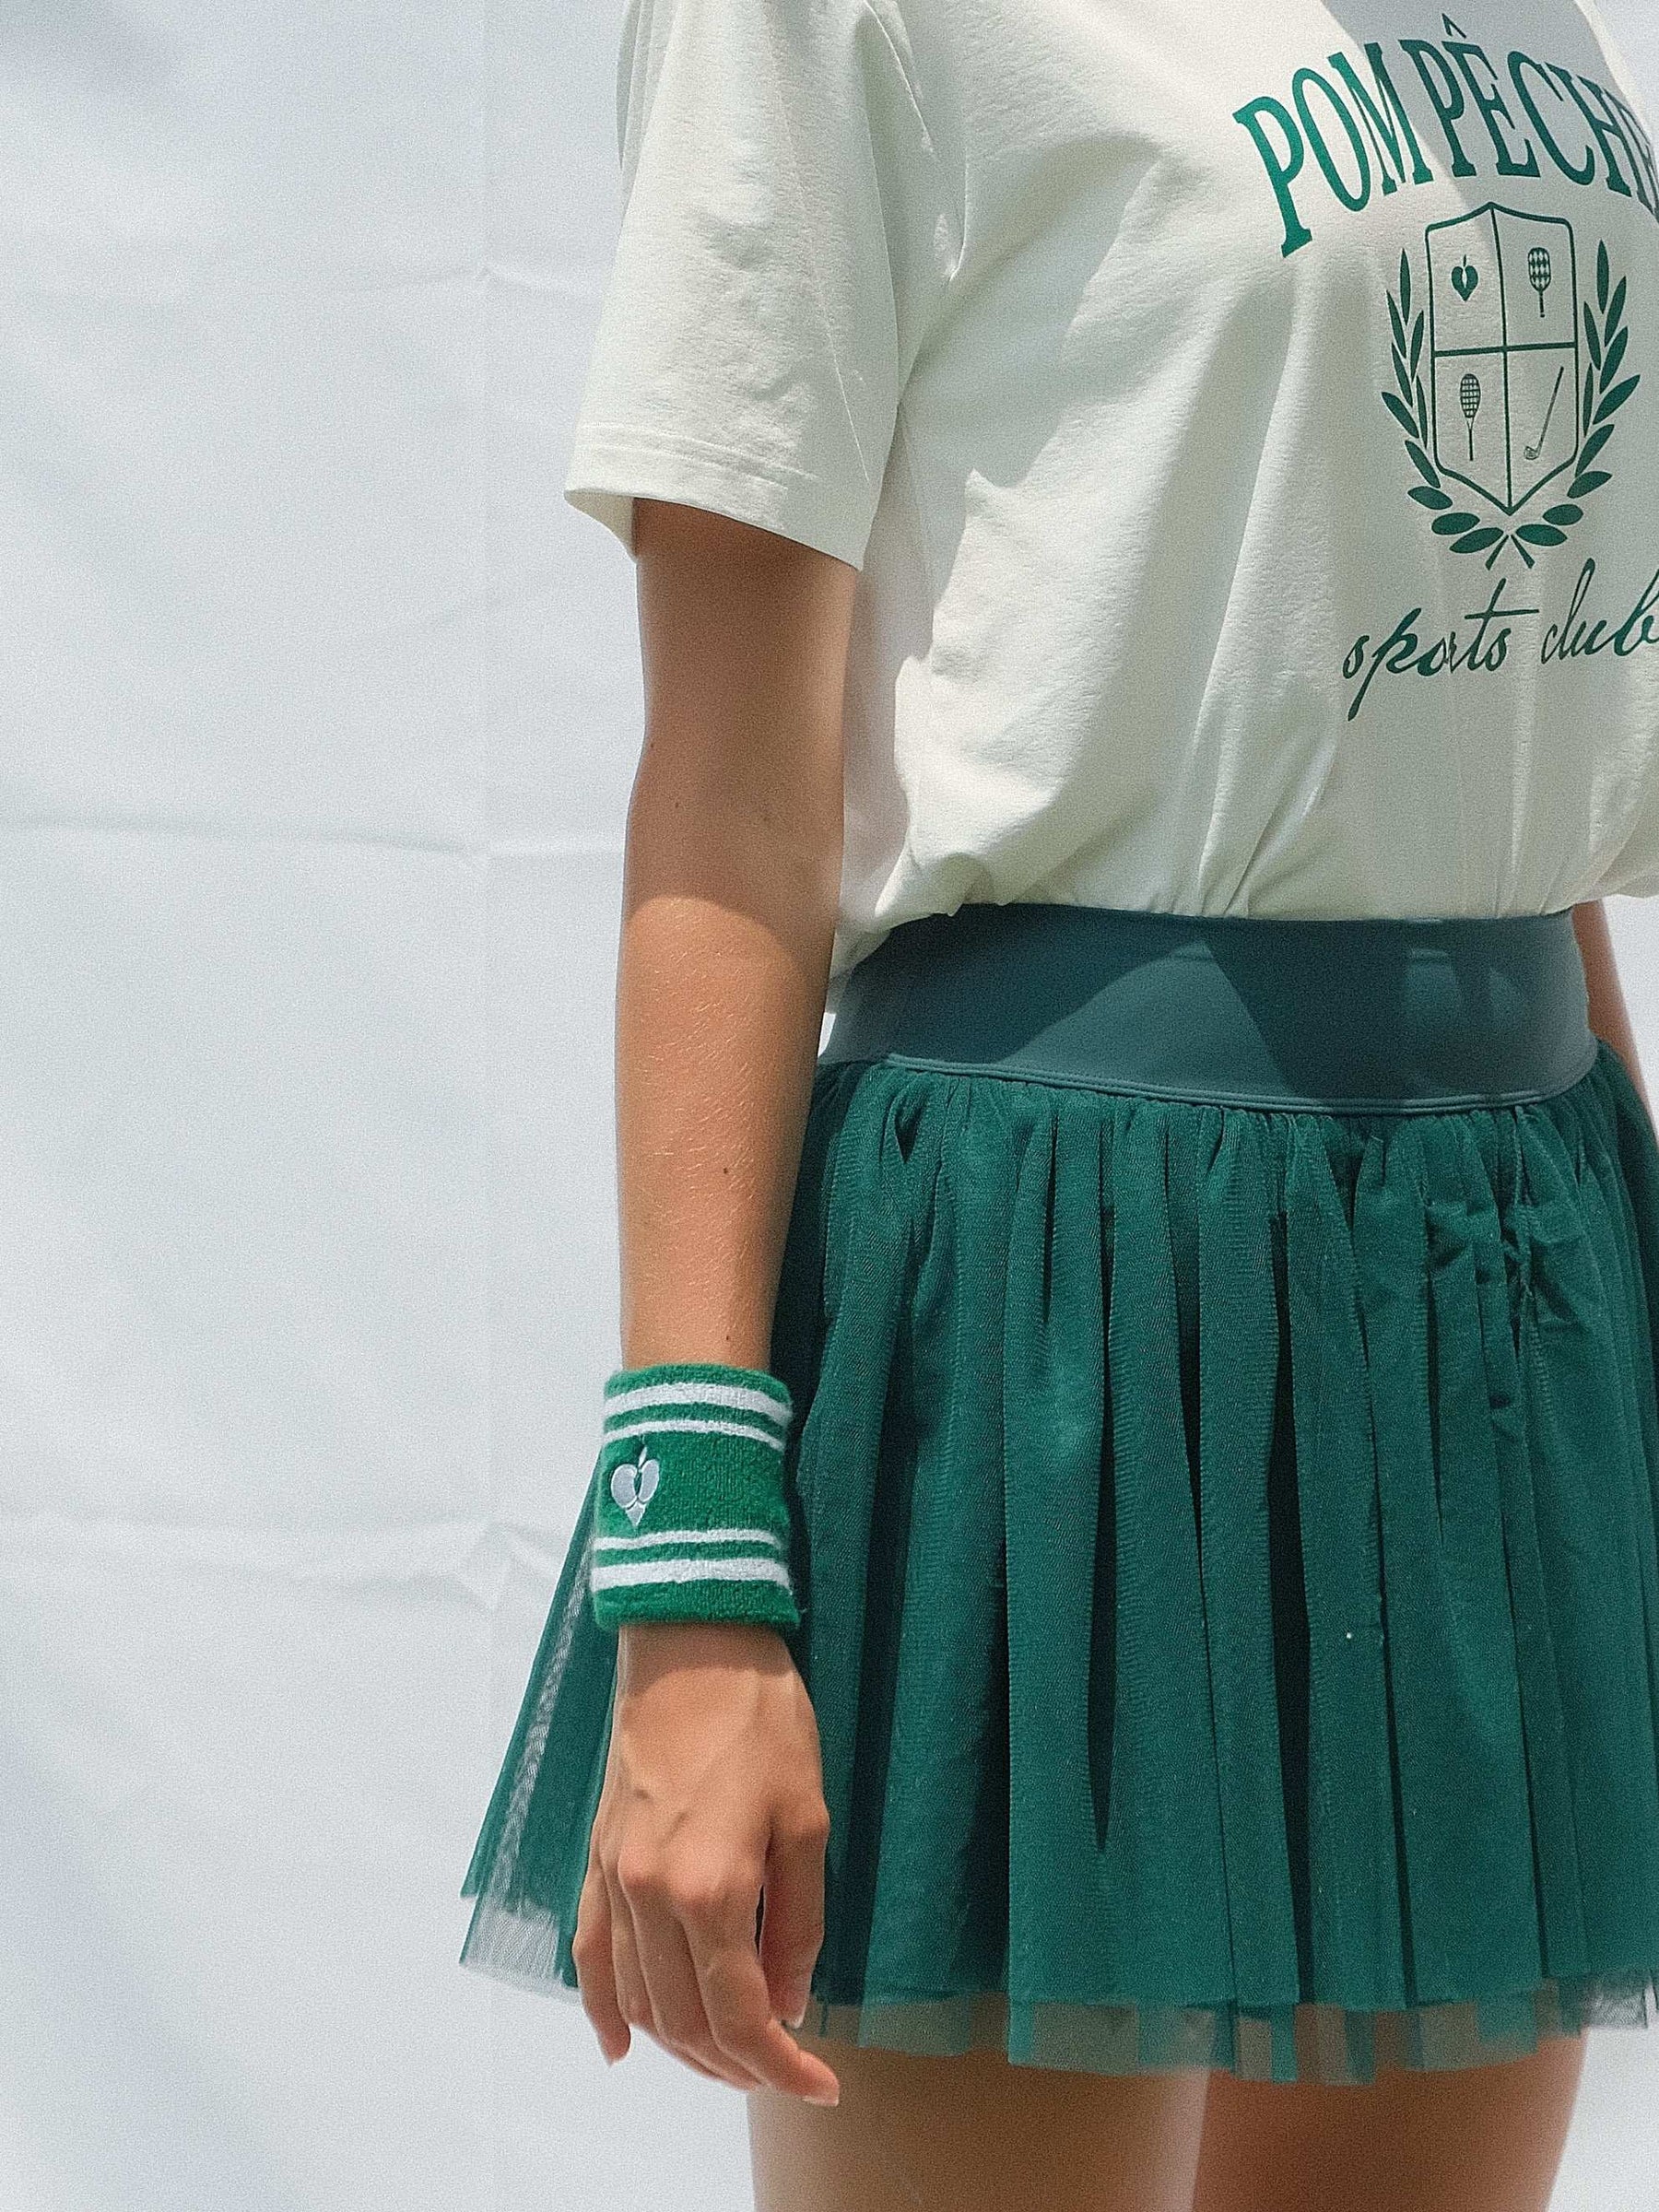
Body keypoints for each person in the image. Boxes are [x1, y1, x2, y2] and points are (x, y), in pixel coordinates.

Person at [459, 2, 1659, 2205]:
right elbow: (732, 802)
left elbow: (1476, 733)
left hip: (1497, 1272)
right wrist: (693, 1560)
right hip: (1055, 1305)